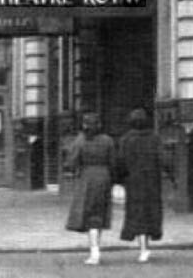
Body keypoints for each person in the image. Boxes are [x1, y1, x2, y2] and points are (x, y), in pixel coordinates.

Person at [64, 112, 116, 265]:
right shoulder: (108, 140)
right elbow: (113, 162)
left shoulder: (80, 141)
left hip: (87, 177)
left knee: (90, 215)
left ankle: (94, 251)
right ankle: (95, 248)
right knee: (99, 214)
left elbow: (72, 162)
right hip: (104, 176)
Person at [118, 108, 164, 263]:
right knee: (151, 211)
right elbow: (162, 159)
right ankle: (147, 244)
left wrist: (120, 179)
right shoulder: (155, 138)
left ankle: (143, 248)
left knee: (137, 213)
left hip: (134, 181)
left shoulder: (126, 140)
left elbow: (121, 162)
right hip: (152, 180)